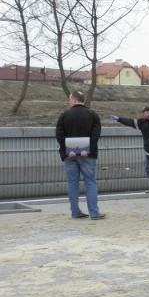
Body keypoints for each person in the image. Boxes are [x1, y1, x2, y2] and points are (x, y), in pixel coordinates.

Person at [55, 90, 105, 220]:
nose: (69, 102)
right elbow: (95, 135)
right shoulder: (93, 115)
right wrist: (86, 149)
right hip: (87, 154)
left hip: (69, 155)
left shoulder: (64, 116)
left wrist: (69, 150)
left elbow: (59, 135)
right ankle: (94, 213)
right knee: (90, 183)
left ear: (75, 99)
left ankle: (75, 212)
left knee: (72, 183)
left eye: (70, 99)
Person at [110, 106, 149, 193]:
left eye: (143, 112)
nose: (142, 114)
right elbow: (130, 122)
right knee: (148, 170)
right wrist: (119, 119)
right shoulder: (142, 122)